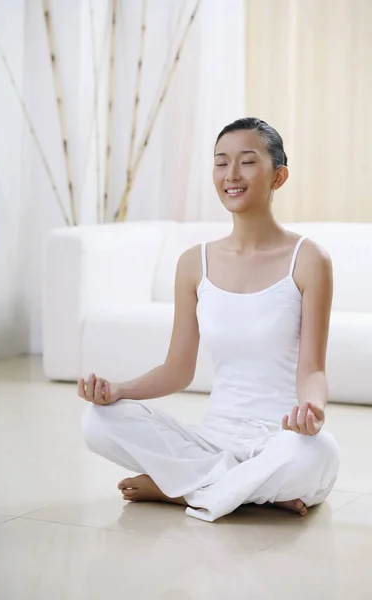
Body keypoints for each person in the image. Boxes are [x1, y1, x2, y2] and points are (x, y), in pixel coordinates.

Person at [79, 117, 340, 523]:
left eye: (247, 162)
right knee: (97, 421)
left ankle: (182, 491)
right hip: (210, 440)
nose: (231, 175)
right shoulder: (193, 264)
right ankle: (245, 492)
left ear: (279, 176)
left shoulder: (308, 259)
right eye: (221, 162)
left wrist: (313, 408)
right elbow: (177, 371)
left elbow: (313, 369)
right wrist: (117, 390)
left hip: (281, 440)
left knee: (318, 453)